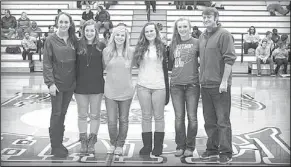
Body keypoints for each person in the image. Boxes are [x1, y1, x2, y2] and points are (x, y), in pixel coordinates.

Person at [198, 7, 237, 164]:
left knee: (222, 121)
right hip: (205, 85)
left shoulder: (224, 35)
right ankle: (212, 148)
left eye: (209, 17)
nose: (206, 19)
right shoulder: (202, 36)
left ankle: (226, 151)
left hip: (219, 86)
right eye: (204, 17)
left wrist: (224, 82)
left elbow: (229, 60)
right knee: (209, 121)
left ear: (216, 18)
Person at [43, 12, 78, 158]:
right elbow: (47, 63)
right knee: (56, 114)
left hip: (70, 84)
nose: (64, 25)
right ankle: (55, 145)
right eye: (61, 22)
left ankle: (59, 143)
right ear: (57, 22)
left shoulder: (73, 40)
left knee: (63, 114)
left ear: (70, 24)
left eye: (66, 22)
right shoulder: (50, 40)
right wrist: (50, 83)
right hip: (56, 84)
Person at [133, 22, 169, 156]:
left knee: (159, 117)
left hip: (159, 86)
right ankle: (147, 146)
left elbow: (168, 67)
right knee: (146, 117)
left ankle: (158, 146)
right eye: (146, 31)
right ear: (144, 33)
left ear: (156, 32)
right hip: (143, 86)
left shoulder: (163, 47)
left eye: (151, 31)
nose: (149, 33)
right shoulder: (140, 48)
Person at [168, 18, 200, 157]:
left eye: (185, 26)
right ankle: (180, 145)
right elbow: (170, 64)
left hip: (192, 84)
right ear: (177, 28)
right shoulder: (173, 43)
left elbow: (202, 61)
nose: (182, 29)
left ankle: (190, 146)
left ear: (190, 27)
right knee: (179, 117)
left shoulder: (197, 43)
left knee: (192, 117)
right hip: (176, 85)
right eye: (179, 27)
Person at [102, 24, 135, 156]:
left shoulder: (131, 52)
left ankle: (120, 144)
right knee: (111, 120)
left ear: (126, 37)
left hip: (126, 91)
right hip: (110, 90)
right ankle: (113, 142)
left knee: (123, 119)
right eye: (118, 35)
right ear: (113, 36)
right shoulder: (106, 51)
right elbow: (102, 68)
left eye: (123, 35)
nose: (120, 37)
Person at [75, 19, 106, 154]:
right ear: (83, 31)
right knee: (82, 115)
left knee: (95, 115)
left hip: (96, 85)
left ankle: (92, 140)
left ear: (96, 32)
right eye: (86, 30)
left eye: (92, 30)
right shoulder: (77, 45)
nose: (89, 33)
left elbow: (105, 65)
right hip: (80, 85)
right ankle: (83, 139)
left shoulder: (101, 45)